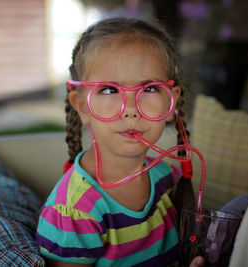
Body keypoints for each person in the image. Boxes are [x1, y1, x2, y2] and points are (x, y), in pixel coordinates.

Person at [36, 17, 204, 267]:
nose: (131, 110)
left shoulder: (165, 176)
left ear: (171, 102)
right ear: (81, 106)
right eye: (109, 90)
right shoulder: (75, 213)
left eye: (149, 89)